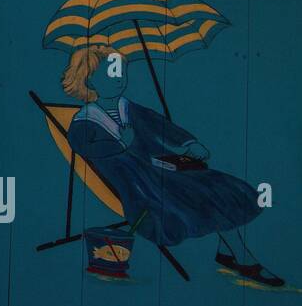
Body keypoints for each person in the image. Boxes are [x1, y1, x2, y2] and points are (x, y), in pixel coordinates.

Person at [62, 43, 283, 287]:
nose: (118, 79)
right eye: (110, 74)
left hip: (159, 168)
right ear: (90, 81)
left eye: (120, 73)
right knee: (192, 196)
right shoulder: (85, 120)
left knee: (215, 184)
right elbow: (83, 147)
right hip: (136, 182)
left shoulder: (130, 108)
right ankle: (241, 256)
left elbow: (161, 126)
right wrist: (122, 146)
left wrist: (190, 142)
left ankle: (230, 251)